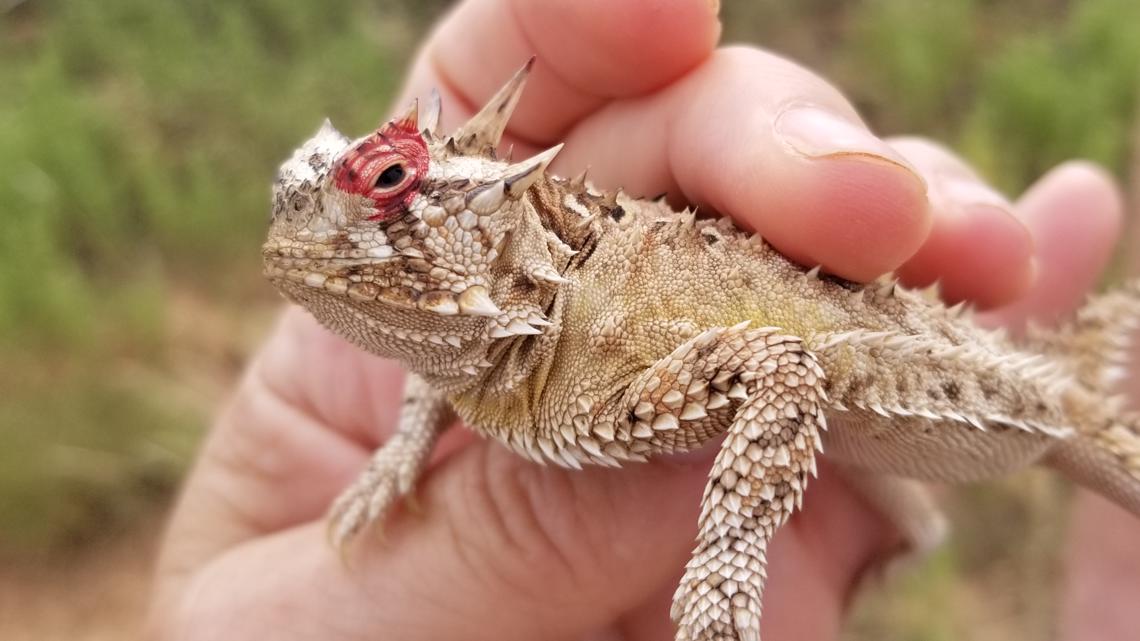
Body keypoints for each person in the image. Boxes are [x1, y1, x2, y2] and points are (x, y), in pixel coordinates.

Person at [147, 0, 1140, 638]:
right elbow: (445, 342)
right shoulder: (478, 337)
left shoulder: (575, 340)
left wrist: (721, 563)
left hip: (988, 391)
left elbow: (782, 369)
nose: (319, 232)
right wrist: (407, 437)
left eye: (389, 188)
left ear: (481, 225)